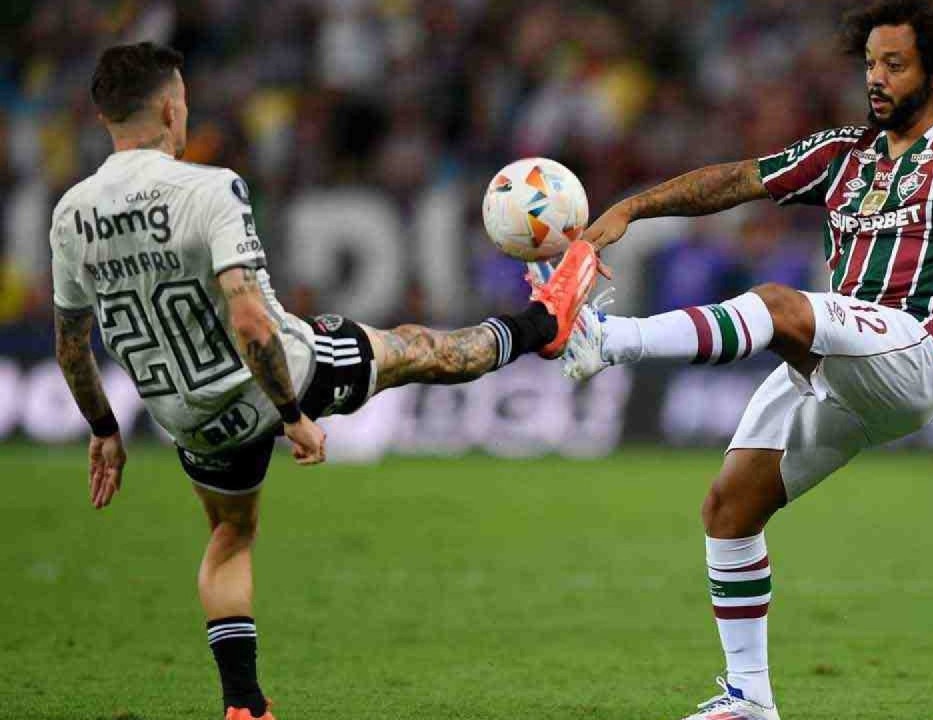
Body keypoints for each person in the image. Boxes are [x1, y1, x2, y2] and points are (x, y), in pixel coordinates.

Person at [565, 1, 933, 718]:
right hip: (836, 366)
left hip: (916, 351)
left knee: (780, 306)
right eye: (870, 63)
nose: (875, 78)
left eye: (894, 65)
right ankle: (749, 700)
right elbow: (741, 179)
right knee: (729, 509)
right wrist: (633, 207)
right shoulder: (846, 154)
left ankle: (609, 341)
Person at [51, 42, 597, 720]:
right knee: (414, 350)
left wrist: (104, 430)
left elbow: (72, 345)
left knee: (230, 537)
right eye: (184, 99)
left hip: (187, 414)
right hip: (279, 376)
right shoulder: (208, 187)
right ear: (169, 105)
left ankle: (244, 704)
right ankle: (541, 328)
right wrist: (291, 411)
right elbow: (251, 320)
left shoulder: (71, 213)